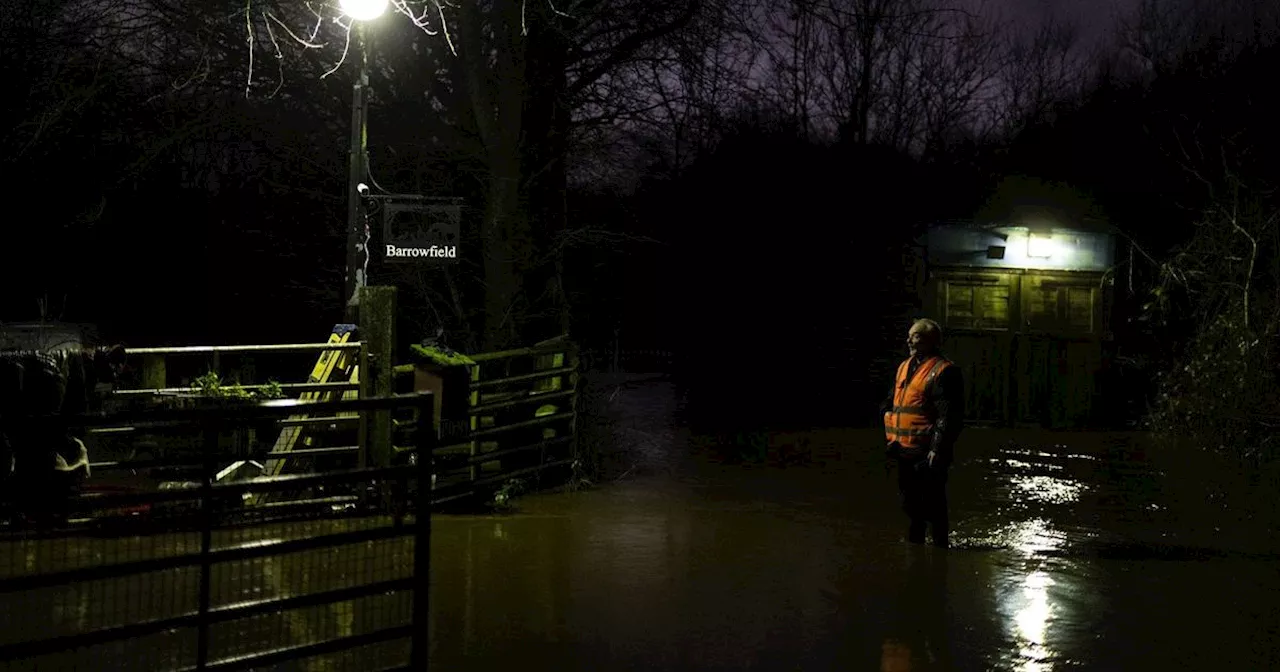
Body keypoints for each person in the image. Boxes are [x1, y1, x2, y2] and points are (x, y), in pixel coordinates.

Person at [882, 318, 964, 548]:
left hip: (927, 450)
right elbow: (894, 400)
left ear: (931, 340)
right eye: (909, 335)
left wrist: (937, 450)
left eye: (915, 336)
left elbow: (949, 417)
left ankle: (939, 552)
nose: (909, 340)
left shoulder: (945, 372)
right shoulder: (905, 366)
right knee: (909, 504)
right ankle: (915, 547)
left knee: (934, 504)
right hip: (903, 448)